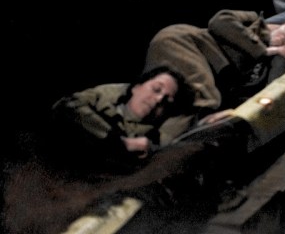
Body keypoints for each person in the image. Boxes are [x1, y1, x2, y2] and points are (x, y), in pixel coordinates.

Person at [143, 10, 285, 131]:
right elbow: (219, 21)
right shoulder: (253, 21)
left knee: (165, 108)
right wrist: (262, 50)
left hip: (188, 71)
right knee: (206, 100)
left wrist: (281, 58)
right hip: (183, 43)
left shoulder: (271, 66)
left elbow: (273, 92)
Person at [50, 66, 188, 167]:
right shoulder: (99, 97)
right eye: (156, 89)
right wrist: (120, 142)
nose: (158, 99)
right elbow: (66, 107)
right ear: (137, 87)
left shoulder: (150, 140)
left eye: (166, 101)